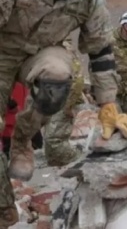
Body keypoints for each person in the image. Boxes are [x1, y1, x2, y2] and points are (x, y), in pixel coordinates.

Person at [0, 0, 127, 226]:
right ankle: (4, 209)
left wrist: (108, 105)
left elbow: (101, 51)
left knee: (59, 77)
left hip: (43, 50)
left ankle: (22, 139)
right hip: (3, 49)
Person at [42, 37, 86, 166]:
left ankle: (75, 158)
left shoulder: (63, 51)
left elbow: (77, 79)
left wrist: (68, 105)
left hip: (63, 100)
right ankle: (58, 162)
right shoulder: (52, 49)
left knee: (54, 139)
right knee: (51, 136)